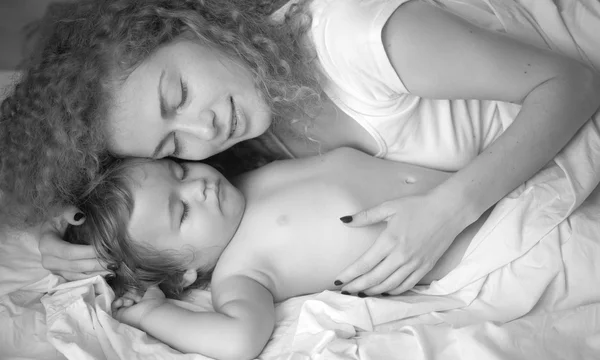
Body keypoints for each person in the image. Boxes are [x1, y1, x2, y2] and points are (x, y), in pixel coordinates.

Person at [1, 0, 599, 296]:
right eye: (172, 143)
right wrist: (55, 225)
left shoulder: (354, 37)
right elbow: (129, 198)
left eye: (178, 92)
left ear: (186, 26)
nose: (203, 131)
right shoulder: (241, 136)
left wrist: (446, 212)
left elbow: (574, 84)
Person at [64, 147, 490, 360]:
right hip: (485, 246)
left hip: (479, 189)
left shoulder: (243, 178)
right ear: (185, 274)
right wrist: (148, 314)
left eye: (179, 171)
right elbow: (238, 340)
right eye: (183, 212)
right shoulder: (241, 274)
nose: (199, 186)